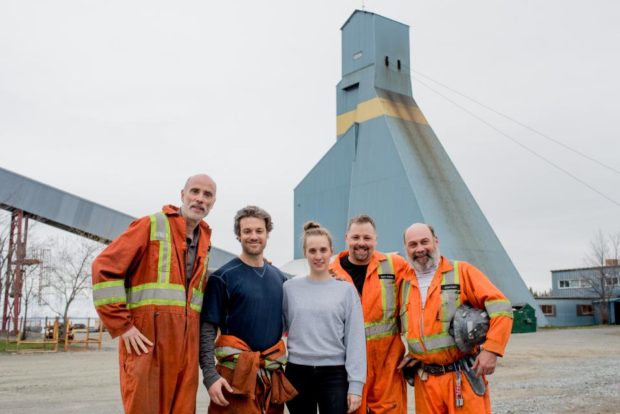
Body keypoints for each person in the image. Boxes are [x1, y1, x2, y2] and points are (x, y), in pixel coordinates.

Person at [91, 174, 216, 414]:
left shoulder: (204, 242)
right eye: (195, 192)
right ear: (182, 195)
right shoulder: (151, 225)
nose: (200, 199)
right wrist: (122, 325)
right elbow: (104, 268)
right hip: (147, 343)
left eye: (207, 195)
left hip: (186, 348)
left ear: (213, 203)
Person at [399, 223, 513, 414]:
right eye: (413, 244)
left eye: (424, 242)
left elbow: (501, 307)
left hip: (462, 377)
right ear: (406, 249)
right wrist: (418, 351)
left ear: (436, 241)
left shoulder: (461, 272)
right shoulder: (403, 283)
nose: (419, 249)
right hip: (425, 382)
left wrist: (492, 350)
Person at [199, 205, 297, 414]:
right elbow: (207, 330)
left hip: (271, 378)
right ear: (238, 235)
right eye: (247, 231)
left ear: (267, 234)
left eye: (259, 231)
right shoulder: (222, 278)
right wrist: (210, 376)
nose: (253, 236)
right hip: (234, 377)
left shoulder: (280, 279)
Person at [329, 214, 409, 413]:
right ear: (346, 238)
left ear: (376, 239)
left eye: (367, 238)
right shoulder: (330, 272)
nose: (361, 243)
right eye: (356, 237)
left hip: (387, 369)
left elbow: (420, 295)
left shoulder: (395, 266)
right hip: (344, 369)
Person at [284, 221, 366, 414]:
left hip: (334, 374)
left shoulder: (346, 290)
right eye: (312, 251)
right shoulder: (289, 288)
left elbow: (355, 341)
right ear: (305, 252)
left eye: (323, 250)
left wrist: (355, 386)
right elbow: (278, 327)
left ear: (331, 251)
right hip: (297, 372)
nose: (318, 256)